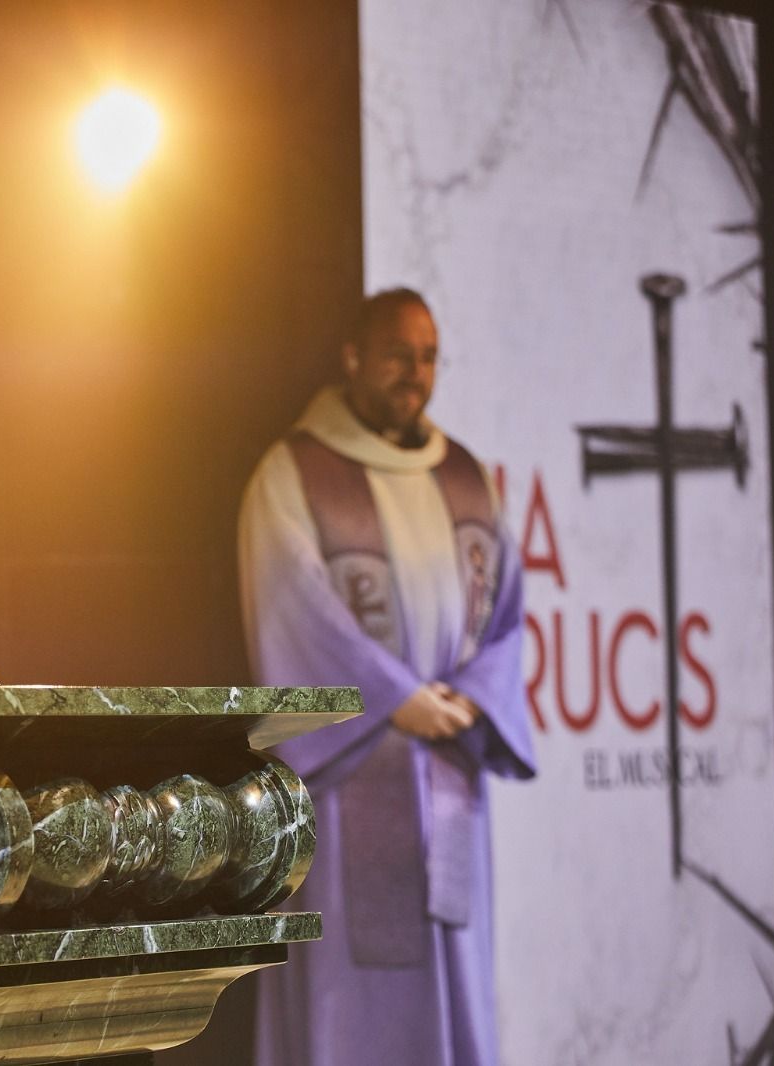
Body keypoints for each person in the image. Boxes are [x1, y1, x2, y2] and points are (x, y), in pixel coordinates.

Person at [237, 289, 535, 1065]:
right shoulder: (294, 474)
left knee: (453, 970)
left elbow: (506, 616)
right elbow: (292, 607)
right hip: (351, 777)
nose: (415, 372)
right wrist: (396, 701)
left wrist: (471, 697)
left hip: (448, 771)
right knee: (358, 1002)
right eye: (399, 355)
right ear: (353, 358)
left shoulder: (465, 476)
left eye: (428, 356)